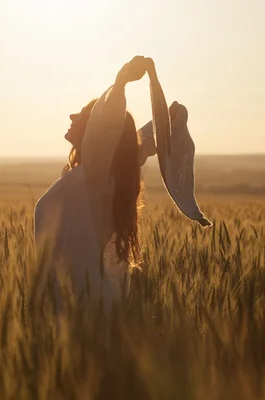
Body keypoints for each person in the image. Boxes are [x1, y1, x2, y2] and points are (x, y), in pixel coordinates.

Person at [34, 56, 210, 318]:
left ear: (97, 131)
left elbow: (112, 132)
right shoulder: (102, 177)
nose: (72, 115)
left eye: (83, 115)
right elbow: (139, 144)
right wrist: (165, 120)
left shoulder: (95, 179)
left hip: (81, 310)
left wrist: (121, 83)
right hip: (76, 303)